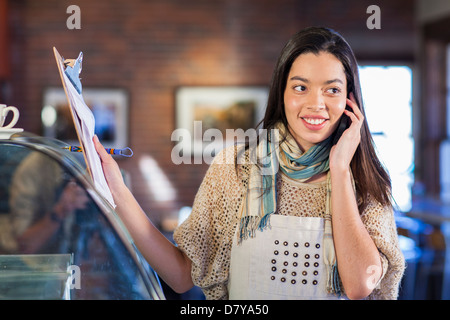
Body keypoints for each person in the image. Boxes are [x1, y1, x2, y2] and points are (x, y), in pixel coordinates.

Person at [94, 26, 405, 300]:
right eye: (301, 87)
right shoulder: (234, 167)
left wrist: (339, 171)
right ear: (282, 93)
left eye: (332, 89)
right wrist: (118, 192)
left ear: (349, 99)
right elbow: (181, 275)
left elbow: (359, 285)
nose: (316, 103)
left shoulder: (366, 179)